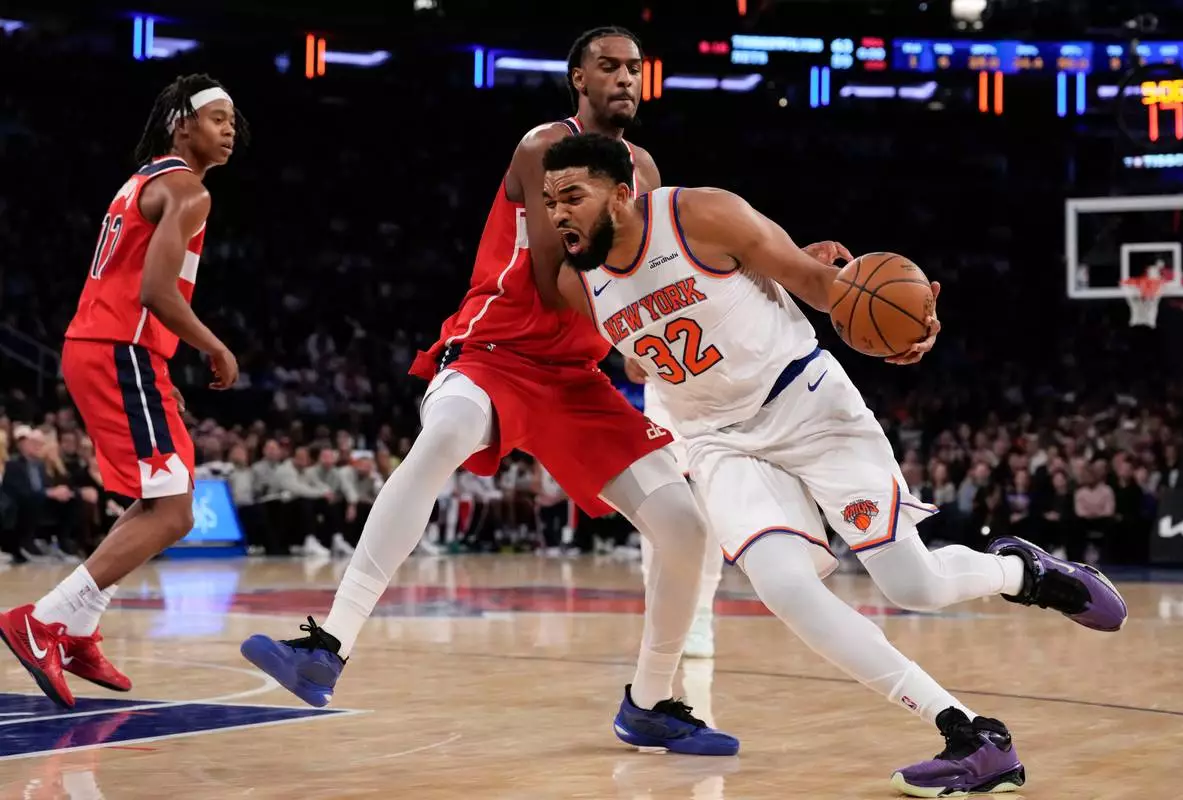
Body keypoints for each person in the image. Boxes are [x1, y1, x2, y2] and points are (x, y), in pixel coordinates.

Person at [541, 133, 1129, 796]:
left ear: (622, 194)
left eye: (572, 196)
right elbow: (640, 352)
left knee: (913, 585)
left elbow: (820, 284)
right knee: (784, 587)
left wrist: (903, 325)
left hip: (806, 404)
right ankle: (971, 735)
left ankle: (1023, 572)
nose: (558, 213)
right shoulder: (575, 281)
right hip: (718, 441)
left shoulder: (701, 215)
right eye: (550, 201)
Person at [240, 27, 738, 757]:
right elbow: (553, 279)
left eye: (635, 68)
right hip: (497, 350)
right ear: (578, 78)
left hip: (576, 377)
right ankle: (327, 645)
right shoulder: (544, 147)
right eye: (609, 67)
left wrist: (658, 334)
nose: (626, 79)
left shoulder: (644, 169)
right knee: (442, 437)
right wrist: (633, 328)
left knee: (685, 526)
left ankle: (650, 701)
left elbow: (646, 272)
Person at [0, 74, 243, 709]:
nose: (230, 129)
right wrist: (214, 346)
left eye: (233, 120)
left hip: (116, 350)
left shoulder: (144, 180)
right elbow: (154, 292)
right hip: (118, 349)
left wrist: (159, 364)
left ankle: (78, 627)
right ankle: (43, 620)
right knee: (173, 511)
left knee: (163, 500)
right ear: (181, 125)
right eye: (218, 117)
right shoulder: (187, 190)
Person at [624, 360, 724, 659]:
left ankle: (702, 614)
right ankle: (656, 614)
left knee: (710, 508)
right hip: (664, 380)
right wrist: (626, 349)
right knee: (657, 505)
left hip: (718, 386)